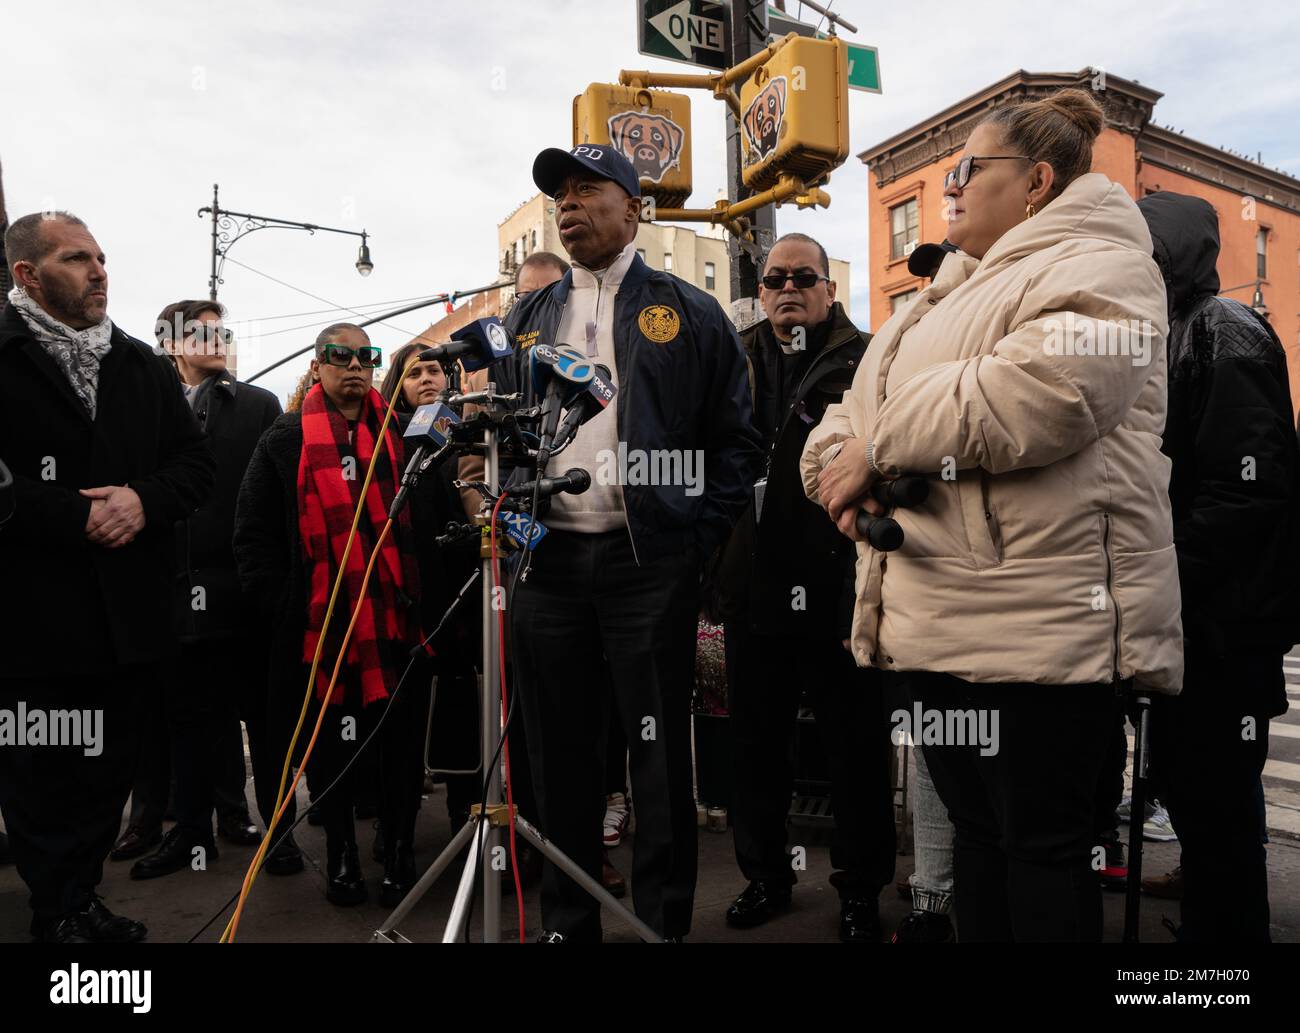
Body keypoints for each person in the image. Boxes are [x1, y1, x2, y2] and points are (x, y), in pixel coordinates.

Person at [802, 88, 1183, 942]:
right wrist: (840, 469)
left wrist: (882, 442)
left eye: (971, 167)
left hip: (1043, 636)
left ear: (1038, 180)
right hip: (939, 626)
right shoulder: (939, 298)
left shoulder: (1105, 263)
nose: (952, 187)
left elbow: (1041, 393)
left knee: (1043, 854)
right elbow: (843, 418)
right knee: (978, 845)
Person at [499, 145, 762, 941]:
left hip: (647, 566)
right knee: (560, 762)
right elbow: (506, 444)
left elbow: (738, 445)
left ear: (634, 208)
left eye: (587, 190)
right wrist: (517, 529)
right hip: (548, 566)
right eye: (560, 196)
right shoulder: (528, 318)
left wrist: (691, 539)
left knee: (656, 762)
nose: (568, 206)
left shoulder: (691, 309)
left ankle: (662, 928)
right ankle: (568, 924)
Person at [0, 211, 214, 942]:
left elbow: (194, 465)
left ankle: (76, 900)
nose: (99, 270)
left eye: (100, 256)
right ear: (26, 274)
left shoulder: (140, 364)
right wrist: (71, 515)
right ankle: (56, 912)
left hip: (126, 622)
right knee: (39, 774)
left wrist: (141, 500)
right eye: (75, 258)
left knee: (103, 770)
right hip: (29, 622)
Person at [711, 231, 898, 942]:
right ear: (760, 291)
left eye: (803, 277)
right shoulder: (737, 356)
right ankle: (765, 877)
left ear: (829, 288)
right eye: (774, 279)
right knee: (756, 749)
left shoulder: (868, 355)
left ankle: (859, 887)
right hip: (752, 589)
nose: (787, 288)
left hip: (838, 586)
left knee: (854, 750)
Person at [1138, 191, 1300, 941]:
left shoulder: (1224, 330)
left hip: (1226, 623)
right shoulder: (1178, 329)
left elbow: (1247, 487)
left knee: (1221, 799)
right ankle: (1213, 922)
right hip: (1200, 616)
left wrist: (1164, 577)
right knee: (1197, 792)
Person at [235, 324, 438, 907]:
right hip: (321, 631)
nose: (354, 365)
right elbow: (253, 537)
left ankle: (399, 846)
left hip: (398, 627)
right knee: (333, 748)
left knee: (401, 746)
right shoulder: (284, 437)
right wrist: (286, 609)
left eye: (365, 356)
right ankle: (344, 852)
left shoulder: (409, 435)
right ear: (318, 365)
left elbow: (431, 525)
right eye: (339, 355)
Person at [128, 299, 288, 880]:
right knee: (191, 724)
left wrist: (269, 583)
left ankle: (280, 833)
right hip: (175, 596)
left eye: (222, 332)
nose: (217, 341)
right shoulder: (148, 409)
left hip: (245, 593)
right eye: (200, 333)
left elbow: (275, 499)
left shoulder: (258, 405)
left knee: (266, 723)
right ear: (170, 344)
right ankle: (191, 836)